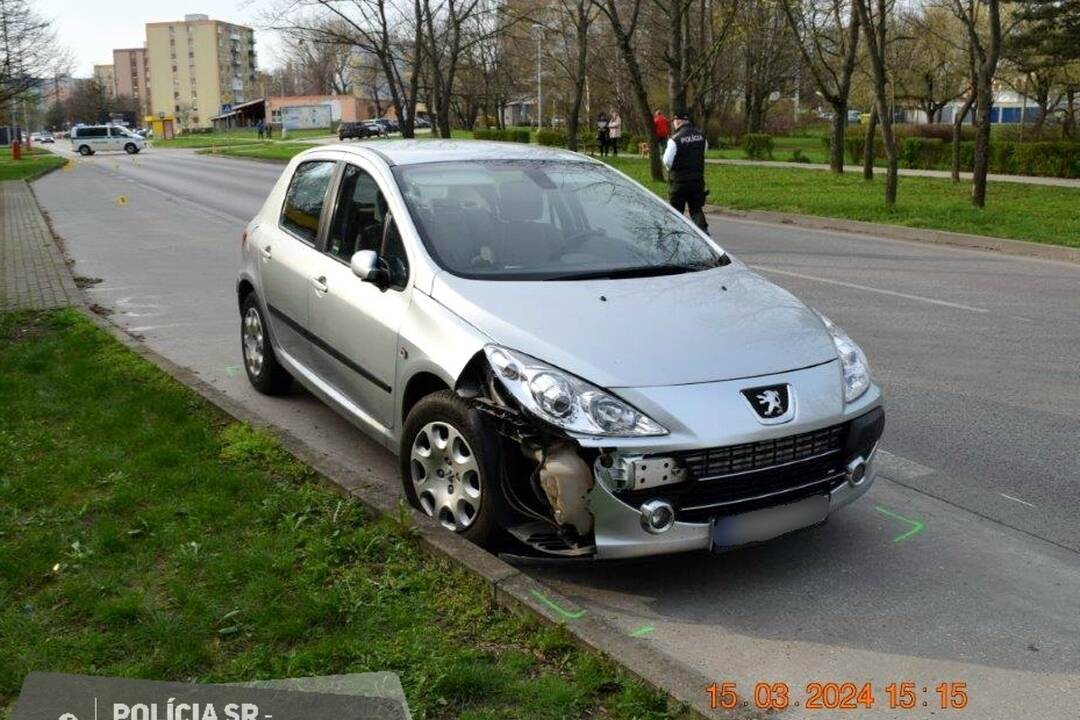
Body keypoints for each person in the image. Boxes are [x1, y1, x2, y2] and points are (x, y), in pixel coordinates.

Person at [662, 110, 709, 232]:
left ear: (678, 121)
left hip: (679, 182)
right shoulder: (701, 136)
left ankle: (673, 236)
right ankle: (704, 235)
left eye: (673, 121)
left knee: (676, 212)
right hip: (697, 181)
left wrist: (671, 169)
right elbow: (703, 152)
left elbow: (667, 160)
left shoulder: (675, 139)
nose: (673, 123)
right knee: (696, 210)